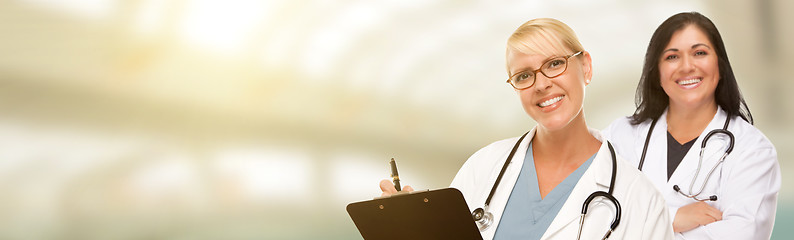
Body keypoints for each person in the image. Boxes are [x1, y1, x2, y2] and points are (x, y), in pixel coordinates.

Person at [381, 18, 673, 240]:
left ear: (586, 67)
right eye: (524, 75)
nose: (542, 84)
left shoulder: (642, 201)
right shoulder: (483, 167)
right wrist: (410, 227)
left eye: (555, 64)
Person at [604, 12, 780, 239]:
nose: (687, 66)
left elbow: (742, 234)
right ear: (656, 71)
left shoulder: (753, 151)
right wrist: (671, 218)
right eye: (672, 57)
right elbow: (585, 215)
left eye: (699, 53)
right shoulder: (619, 136)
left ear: (720, 65)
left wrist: (630, 225)